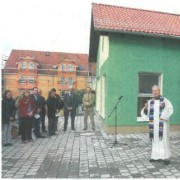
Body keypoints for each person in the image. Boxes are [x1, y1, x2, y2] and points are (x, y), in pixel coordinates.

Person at [141, 85, 173, 165]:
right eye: (153, 91)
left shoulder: (165, 100)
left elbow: (170, 109)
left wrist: (163, 116)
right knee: (155, 140)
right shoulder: (150, 101)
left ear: (159, 91)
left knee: (163, 140)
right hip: (154, 125)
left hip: (163, 124)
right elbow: (147, 114)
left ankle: (166, 158)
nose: (155, 92)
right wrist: (145, 108)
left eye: (156, 90)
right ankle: (155, 156)